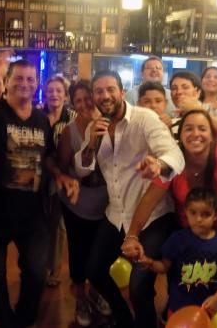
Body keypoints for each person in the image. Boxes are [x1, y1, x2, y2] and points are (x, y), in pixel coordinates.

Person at [0, 54, 79, 328]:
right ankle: (5, 322)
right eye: (18, 78)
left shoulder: (41, 119)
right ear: (7, 82)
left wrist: (60, 175)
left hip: (32, 215)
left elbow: (47, 157)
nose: (25, 83)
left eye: (30, 79)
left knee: (36, 272)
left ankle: (24, 320)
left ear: (37, 83)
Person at [74, 70, 184, 328]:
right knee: (94, 271)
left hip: (152, 216)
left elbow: (175, 155)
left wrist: (158, 164)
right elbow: (83, 169)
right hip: (116, 214)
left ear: (122, 92)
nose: (105, 95)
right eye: (99, 91)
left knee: (138, 287)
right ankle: (124, 319)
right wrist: (90, 145)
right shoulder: (94, 127)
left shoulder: (144, 119)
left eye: (110, 89)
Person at [122, 109, 217, 307]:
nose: (195, 134)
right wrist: (132, 235)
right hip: (188, 234)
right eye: (189, 129)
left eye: (202, 128)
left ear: (212, 135)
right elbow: (149, 200)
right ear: (179, 136)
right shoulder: (173, 162)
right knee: (184, 288)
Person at [56, 80, 110, 326]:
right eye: (78, 100)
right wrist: (69, 180)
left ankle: (96, 292)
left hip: (107, 207)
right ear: (72, 104)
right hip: (77, 205)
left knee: (101, 255)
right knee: (78, 253)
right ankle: (80, 297)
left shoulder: (112, 123)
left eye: (88, 97)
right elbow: (61, 166)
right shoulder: (70, 131)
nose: (85, 104)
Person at [138, 187, 217, 316]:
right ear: (186, 212)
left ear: (215, 215)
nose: (199, 219)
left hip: (208, 308)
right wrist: (150, 263)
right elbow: (163, 267)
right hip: (178, 307)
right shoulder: (177, 239)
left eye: (206, 214)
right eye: (193, 213)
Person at [42, 76, 76, 287]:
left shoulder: (73, 118)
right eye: (50, 91)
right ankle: (38, 265)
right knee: (40, 222)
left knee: (58, 225)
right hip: (39, 176)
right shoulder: (38, 116)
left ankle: (54, 269)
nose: (54, 94)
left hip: (63, 176)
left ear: (65, 95)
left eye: (58, 91)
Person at [170, 71, 217, 141]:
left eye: (185, 87)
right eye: (174, 88)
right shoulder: (172, 117)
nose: (179, 92)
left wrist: (198, 109)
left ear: (197, 92)